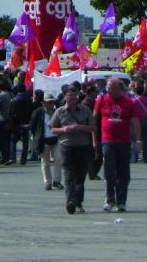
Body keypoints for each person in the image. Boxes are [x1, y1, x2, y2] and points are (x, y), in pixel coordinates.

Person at [93, 78, 141, 213]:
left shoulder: (128, 103)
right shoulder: (101, 100)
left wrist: (138, 140)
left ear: (120, 89)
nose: (108, 90)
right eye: (107, 87)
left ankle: (121, 202)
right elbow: (94, 120)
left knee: (123, 173)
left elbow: (135, 122)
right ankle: (109, 199)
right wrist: (94, 140)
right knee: (109, 172)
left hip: (124, 142)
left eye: (111, 88)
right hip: (107, 141)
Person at [51, 86, 95, 214]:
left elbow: (93, 127)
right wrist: (63, 130)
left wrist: (80, 127)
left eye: (75, 96)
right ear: (65, 97)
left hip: (83, 146)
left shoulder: (85, 110)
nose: (73, 99)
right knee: (69, 175)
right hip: (67, 146)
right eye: (70, 96)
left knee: (80, 176)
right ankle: (70, 201)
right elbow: (53, 129)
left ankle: (78, 202)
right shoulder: (59, 111)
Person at [31, 91, 62, 191]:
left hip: (56, 139)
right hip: (44, 140)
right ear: (44, 103)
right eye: (48, 102)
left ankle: (57, 181)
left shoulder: (57, 112)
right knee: (45, 162)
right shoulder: (38, 112)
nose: (51, 104)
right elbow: (33, 126)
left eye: (52, 102)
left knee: (58, 159)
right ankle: (47, 182)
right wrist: (36, 137)